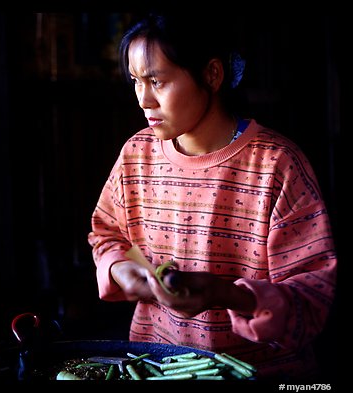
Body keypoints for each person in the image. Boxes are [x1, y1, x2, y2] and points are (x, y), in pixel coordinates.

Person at [87, 12, 337, 380]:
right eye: (136, 81)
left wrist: (226, 295)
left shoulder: (277, 166)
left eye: (157, 81)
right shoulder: (136, 155)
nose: (144, 100)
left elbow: (310, 300)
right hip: (158, 367)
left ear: (212, 75)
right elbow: (107, 234)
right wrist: (125, 272)